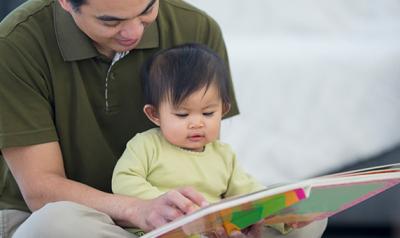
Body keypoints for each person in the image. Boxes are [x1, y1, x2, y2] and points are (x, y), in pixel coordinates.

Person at [0, 0, 326, 237]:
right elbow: (41, 190)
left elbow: (204, 158)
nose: (132, 33)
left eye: (146, 11)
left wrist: (239, 214)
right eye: (111, 21)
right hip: (78, 220)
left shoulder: (196, 28)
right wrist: (139, 209)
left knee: (305, 213)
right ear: (67, 4)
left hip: (182, 224)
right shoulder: (16, 44)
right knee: (53, 227)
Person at [112, 43, 269, 236]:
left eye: (208, 113)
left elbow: (248, 191)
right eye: (182, 114)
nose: (196, 123)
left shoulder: (223, 154)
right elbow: (124, 179)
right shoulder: (146, 145)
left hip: (210, 231)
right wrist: (162, 202)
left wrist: (278, 209)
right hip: (161, 228)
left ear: (223, 110)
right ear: (155, 114)